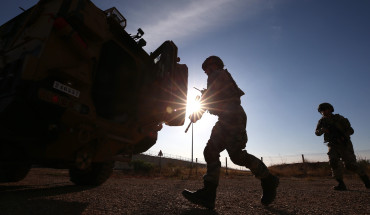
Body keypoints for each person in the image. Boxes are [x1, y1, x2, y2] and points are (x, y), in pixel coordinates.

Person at [182, 56, 279, 210]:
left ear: (214, 65)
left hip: (231, 116)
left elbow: (210, 99)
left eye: (207, 68)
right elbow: (215, 98)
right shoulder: (221, 77)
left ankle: (209, 194)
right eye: (205, 70)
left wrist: (198, 111)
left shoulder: (217, 74)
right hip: (231, 116)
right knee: (234, 155)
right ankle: (267, 179)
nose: (206, 72)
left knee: (216, 151)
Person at [315, 102, 370, 190]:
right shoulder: (322, 121)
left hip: (344, 144)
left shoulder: (339, 118)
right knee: (333, 162)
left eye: (325, 109)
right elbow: (317, 133)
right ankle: (341, 184)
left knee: (350, 165)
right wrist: (322, 130)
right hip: (332, 144)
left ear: (330, 109)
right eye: (321, 111)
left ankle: (366, 180)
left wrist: (343, 137)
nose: (324, 112)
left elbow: (351, 130)